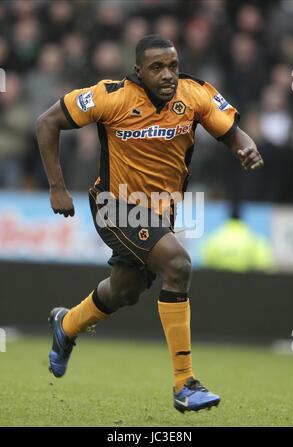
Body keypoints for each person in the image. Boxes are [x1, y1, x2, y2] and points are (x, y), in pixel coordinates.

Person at [36, 35, 264, 413]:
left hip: (161, 211)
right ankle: (185, 383)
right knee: (178, 266)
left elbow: (232, 132)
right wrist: (57, 187)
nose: (168, 75)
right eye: (157, 67)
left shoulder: (194, 95)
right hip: (114, 205)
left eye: (173, 65)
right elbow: (47, 123)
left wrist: (246, 146)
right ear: (138, 71)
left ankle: (67, 325)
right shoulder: (111, 97)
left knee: (125, 291)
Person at [202, 202, 274, 272]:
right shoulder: (254, 239)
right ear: (242, 218)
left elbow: (206, 264)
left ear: (227, 217)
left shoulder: (213, 239)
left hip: (220, 282)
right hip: (247, 282)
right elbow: (264, 265)